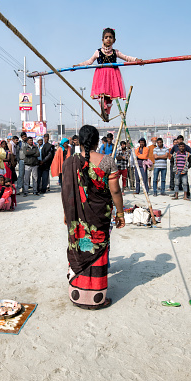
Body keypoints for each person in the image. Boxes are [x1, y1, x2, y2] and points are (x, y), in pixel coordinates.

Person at [61, 124, 125, 310]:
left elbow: (67, 192)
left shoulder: (69, 162)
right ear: (98, 142)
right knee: (97, 251)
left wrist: (67, 213)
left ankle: (77, 293)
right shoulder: (107, 162)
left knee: (81, 248)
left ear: (79, 141)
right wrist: (120, 213)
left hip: (77, 218)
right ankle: (96, 297)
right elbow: (115, 190)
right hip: (99, 216)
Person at [74, 28, 142, 120]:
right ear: (102, 40)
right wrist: (78, 66)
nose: (108, 39)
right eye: (106, 37)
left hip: (112, 76)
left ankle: (107, 112)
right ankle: (103, 107)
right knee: (102, 94)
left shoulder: (115, 52)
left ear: (114, 40)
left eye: (110, 37)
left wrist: (136, 60)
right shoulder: (98, 52)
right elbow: (89, 62)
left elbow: (126, 58)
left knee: (110, 96)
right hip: (101, 76)